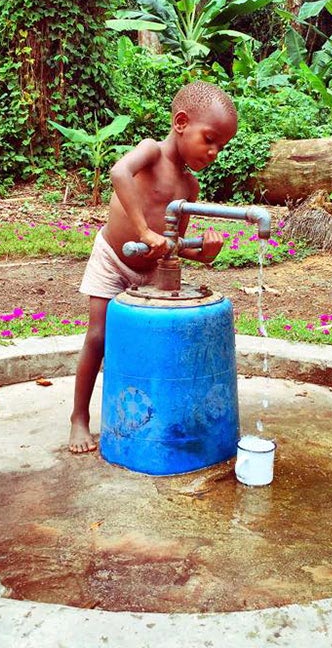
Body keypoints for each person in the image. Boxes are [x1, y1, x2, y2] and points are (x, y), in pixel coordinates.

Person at [69, 81, 238, 453]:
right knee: (98, 337)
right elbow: (118, 174)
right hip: (113, 259)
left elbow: (172, 248)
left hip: (148, 270)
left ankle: (150, 416)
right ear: (180, 122)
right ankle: (79, 417)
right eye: (209, 139)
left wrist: (204, 254)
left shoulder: (189, 187)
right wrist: (144, 229)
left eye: (220, 146)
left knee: (156, 341)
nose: (213, 152)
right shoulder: (151, 152)